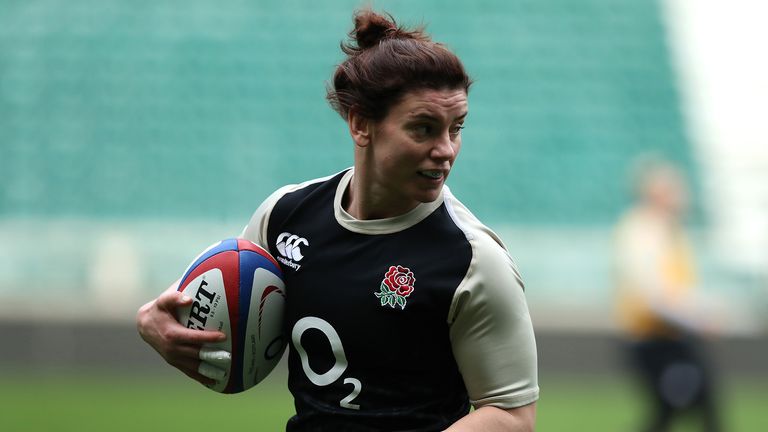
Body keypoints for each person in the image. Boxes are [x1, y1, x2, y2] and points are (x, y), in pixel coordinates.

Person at [137, 9, 538, 431]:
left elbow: (512, 416)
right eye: (423, 129)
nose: (446, 150)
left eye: (455, 129)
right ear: (361, 124)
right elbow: (226, 292)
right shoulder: (286, 215)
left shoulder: (473, 260)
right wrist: (155, 322)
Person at [614, 157, 720, 432]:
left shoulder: (669, 231)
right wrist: (698, 319)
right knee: (686, 405)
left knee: (673, 408)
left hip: (670, 336)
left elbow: (680, 289)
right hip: (654, 339)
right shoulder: (642, 231)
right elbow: (653, 295)